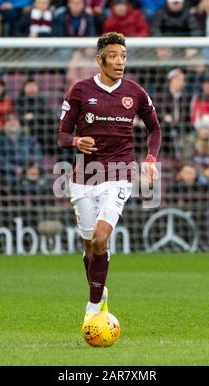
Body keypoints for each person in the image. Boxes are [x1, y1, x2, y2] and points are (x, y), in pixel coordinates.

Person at [57, 32, 162, 323]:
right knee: (90, 245)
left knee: (102, 238)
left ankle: (92, 310)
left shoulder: (135, 92)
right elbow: (62, 135)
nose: (119, 62)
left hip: (120, 174)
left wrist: (150, 159)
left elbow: (155, 129)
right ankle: (99, 291)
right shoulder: (79, 90)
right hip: (84, 178)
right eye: (113, 56)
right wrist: (77, 142)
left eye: (123, 56)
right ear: (100, 59)